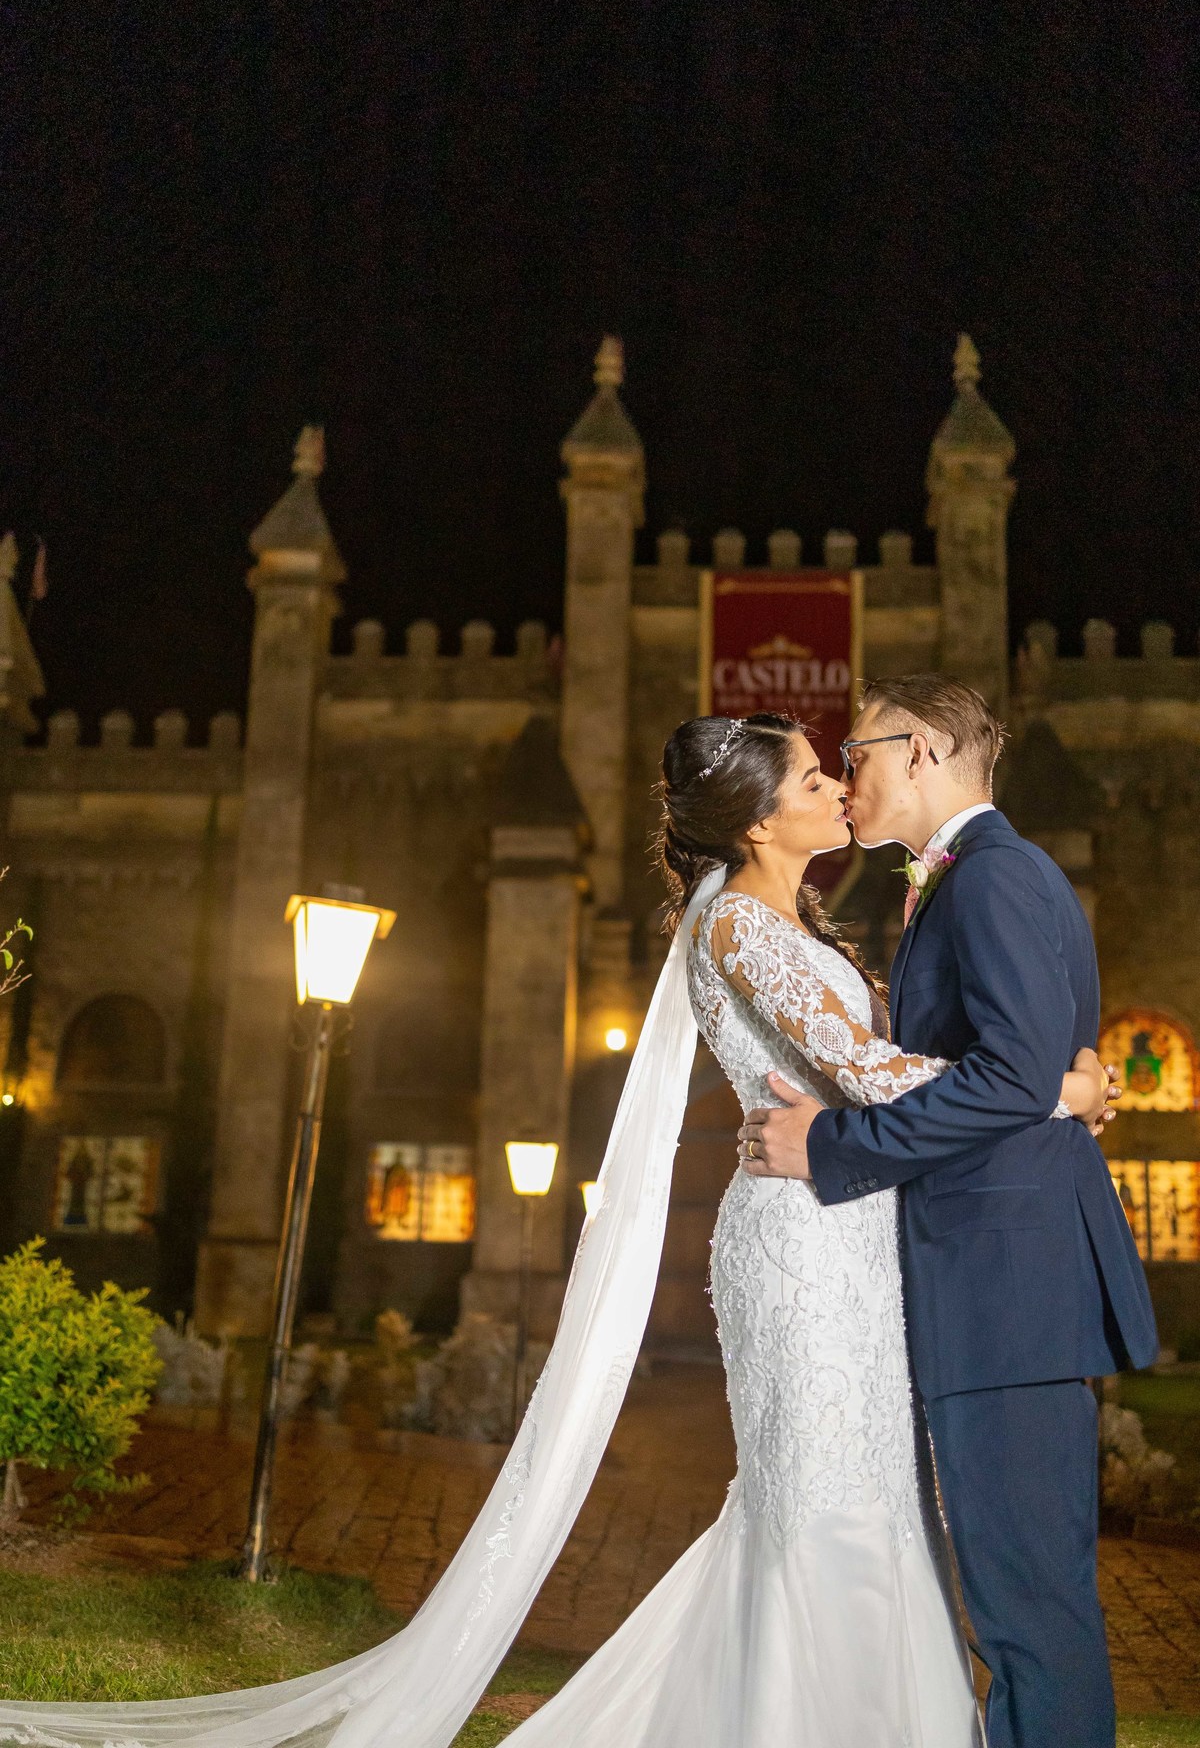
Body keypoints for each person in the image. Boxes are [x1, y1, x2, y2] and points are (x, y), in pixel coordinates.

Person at [0, 707, 1114, 1748]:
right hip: (805, 1247)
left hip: (852, 1239)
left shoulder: (784, 921)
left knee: (869, 1498)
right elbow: (869, 1073)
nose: (837, 787)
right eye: (816, 777)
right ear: (763, 819)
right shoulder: (738, 925)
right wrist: (1051, 1090)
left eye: (838, 768)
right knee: (830, 1501)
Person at [737, 676, 1158, 1748]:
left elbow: (1012, 1078)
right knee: (1019, 1608)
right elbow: (1027, 1076)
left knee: (1028, 1613)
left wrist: (830, 1147)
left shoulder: (994, 881)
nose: (848, 778)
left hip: (1006, 1293)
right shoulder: (967, 881)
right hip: (992, 1284)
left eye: (860, 753)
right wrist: (1066, 1090)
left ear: (918, 750)